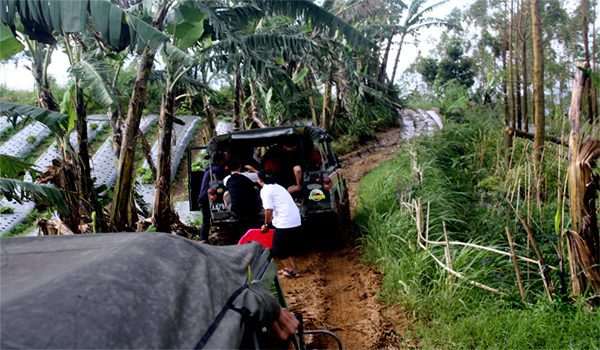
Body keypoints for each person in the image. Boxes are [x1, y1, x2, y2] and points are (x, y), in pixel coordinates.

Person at [257, 171, 302, 278]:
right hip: (295, 219)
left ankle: (291, 271)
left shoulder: (266, 190)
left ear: (259, 180)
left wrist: (266, 225)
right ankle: (293, 268)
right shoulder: (278, 187)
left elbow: (268, 210)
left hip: (285, 222)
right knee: (287, 247)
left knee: (278, 250)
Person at [225, 158, 261, 238]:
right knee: (256, 189)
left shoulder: (226, 179)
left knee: (226, 193)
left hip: (237, 210)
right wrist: (253, 169)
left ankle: (228, 210)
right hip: (252, 208)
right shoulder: (250, 176)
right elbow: (262, 176)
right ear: (240, 167)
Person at [198, 153, 226, 241]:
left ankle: (203, 239)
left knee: (206, 220)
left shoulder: (209, 169)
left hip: (202, 197)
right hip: (207, 198)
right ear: (221, 160)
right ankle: (203, 239)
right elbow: (219, 185)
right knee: (207, 220)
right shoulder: (217, 170)